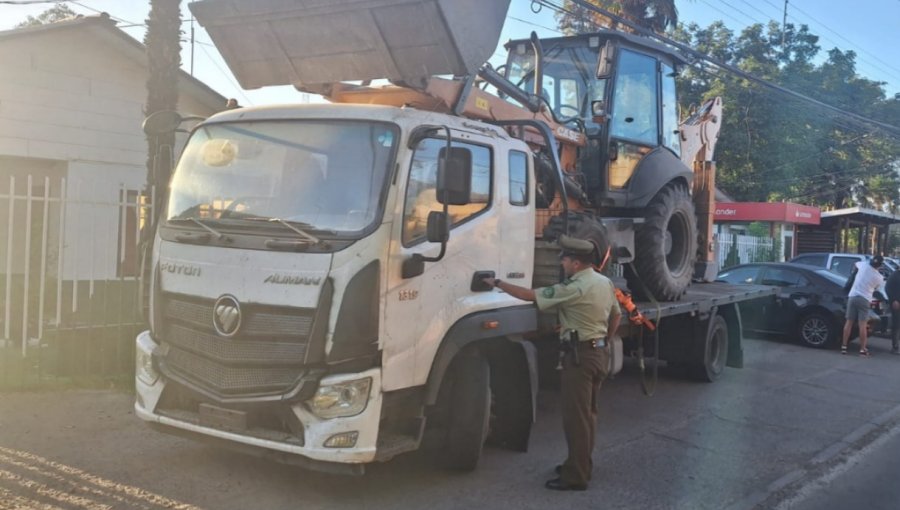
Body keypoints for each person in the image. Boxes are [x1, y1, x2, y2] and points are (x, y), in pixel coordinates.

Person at [482, 234, 621, 491]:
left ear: (577, 263)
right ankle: (580, 464)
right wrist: (604, 341)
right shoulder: (604, 282)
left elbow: (529, 295)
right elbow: (616, 315)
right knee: (588, 415)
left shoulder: (574, 287)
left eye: (566, 260)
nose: (563, 264)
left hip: (579, 357)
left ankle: (576, 476)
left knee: (576, 419)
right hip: (598, 354)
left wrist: (497, 282)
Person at [841, 255, 886, 356]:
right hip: (865, 299)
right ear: (880, 265)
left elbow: (855, 265)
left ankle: (844, 347)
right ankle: (862, 349)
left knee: (849, 322)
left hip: (852, 297)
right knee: (862, 325)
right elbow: (876, 288)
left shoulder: (864, 266)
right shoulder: (879, 277)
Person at [884, 265, 900, 355]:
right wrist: (894, 300)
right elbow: (888, 288)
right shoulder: (894, 276)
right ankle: (895, 347)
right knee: (897, 325)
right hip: (897, 304)